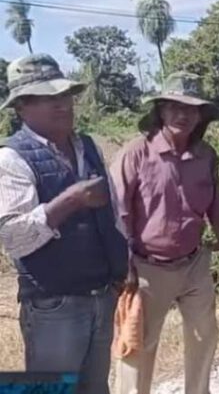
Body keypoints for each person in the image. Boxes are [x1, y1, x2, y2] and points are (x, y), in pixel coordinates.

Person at [0, 54, 128, 394]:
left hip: (100, 294)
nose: (62, 105)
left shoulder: (86, 145)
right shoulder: (11, 157)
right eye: (48, 98)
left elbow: (112, 214)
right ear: (21, 107)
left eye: (65, 95)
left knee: (95, 387)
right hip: (52, 304)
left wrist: (121, 268)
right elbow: (13, 238)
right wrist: (71, 200)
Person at [112, 72, 219, 394]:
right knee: (138, 344)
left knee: (204, 334)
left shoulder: (206, 155)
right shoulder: (135, 154)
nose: (183, 114)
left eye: (191, 108)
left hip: (194, 263)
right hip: (146, 267)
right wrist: (123, 265)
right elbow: (117, 213)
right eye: (174, 106)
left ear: (200, 116)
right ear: (160, 111)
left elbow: (217, 205)